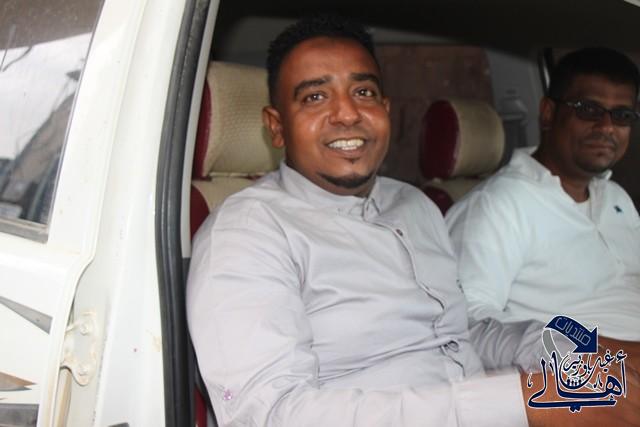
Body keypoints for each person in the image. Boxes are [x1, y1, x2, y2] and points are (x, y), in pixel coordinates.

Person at [187, 16, 638, 425]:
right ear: (276, 126)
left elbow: (463, 332)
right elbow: (270, 414)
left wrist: (581, 357)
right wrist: (526, 403)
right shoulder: (248, 233)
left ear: (385, 109)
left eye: (363, 92)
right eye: (315, 96)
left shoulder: (413, 205)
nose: (347, 113)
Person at [446, 47, 640, 379]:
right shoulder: (498, 205)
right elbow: (465, 323)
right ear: (549, 113)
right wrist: (598, 352)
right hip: (590, 379)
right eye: (589, 110)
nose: (607, 127)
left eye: (622, 115)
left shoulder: (615, 197)